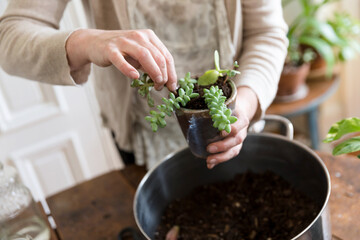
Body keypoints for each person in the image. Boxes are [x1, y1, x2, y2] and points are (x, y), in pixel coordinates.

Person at [0, 0, 288, 170]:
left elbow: (267, 34)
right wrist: (88, 42)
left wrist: (245, 107)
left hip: (232, 121)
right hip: (139, 136)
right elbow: (9, 36)